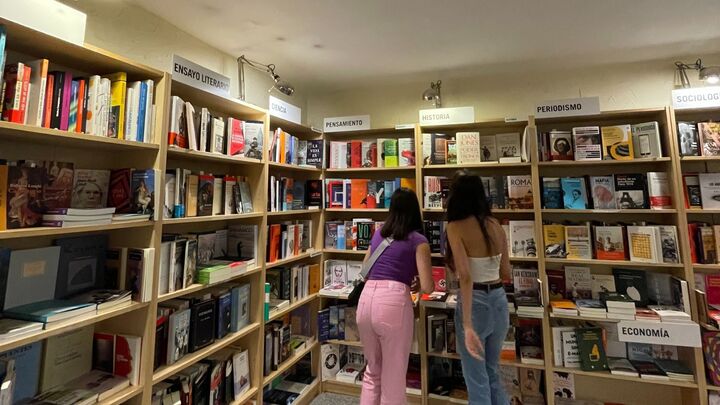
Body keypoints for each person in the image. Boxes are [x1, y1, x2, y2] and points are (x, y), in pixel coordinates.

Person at [357, 188, 433, 405]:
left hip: (366, 300)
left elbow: (365, 270)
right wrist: (415, 281)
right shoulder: (419, 241)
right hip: (392, 303)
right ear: (414, 212)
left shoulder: (378, 233)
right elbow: (427, 286)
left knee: (372, 370)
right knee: (394, 376)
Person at [445, 171, 512, 404]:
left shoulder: (455, 227)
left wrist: (467, 324)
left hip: (475, 303)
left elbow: (465, 276)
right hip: (500, 300)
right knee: (492, 372)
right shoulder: (495, 225)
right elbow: (506, 272)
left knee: (476, 377)